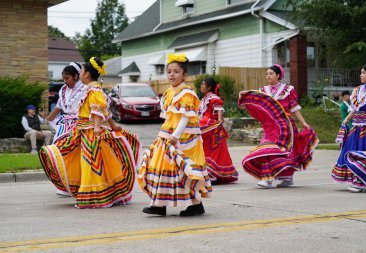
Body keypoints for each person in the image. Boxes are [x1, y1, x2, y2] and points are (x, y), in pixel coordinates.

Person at [39, 57, 140, 208]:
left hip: (91, 132)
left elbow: (98, 110)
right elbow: (105, 111)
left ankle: (94, 195)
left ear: (86, 75)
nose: (80, 75)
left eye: (82, 72)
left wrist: (98, 128)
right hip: (84, 130)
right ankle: (97, 192)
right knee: (87, 161)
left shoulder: (94, 90)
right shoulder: (91, 89)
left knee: (91, 163)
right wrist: (113, 124)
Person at [138, 53, 212, 216]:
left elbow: (185, 117)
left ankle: (196, 204)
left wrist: (176, 136)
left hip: (185, 138)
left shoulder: (187, 93)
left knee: (182, 170)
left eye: (176, 71)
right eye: (169, 71)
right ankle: (159, 204)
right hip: (168, 134)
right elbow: (169, 117)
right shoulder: (169, 93)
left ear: (185, 74)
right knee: (158, 167)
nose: (172, 74)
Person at [238, 64, 319, 188]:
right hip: (270, 127)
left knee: (284, 152)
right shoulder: (264, 90)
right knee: (266, 148)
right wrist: (246, 99)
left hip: (286, 126)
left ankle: (286, 178)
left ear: (278, 75)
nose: (268, 76)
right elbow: (258, 104)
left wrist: (303, 123)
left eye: (271, 73)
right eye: (267, 74)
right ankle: (267, 178)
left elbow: (294, 108)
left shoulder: (288, 89)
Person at [332, 63, 366, 193]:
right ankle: (358, 179)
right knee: (353, 151)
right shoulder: (357, 90)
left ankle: (360, 183)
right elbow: (354, 108)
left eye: (364, 72)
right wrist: (347, 119)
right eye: (361, 72)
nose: (361, 75)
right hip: (357, 127)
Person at [199, 78, 238, 184]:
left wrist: (219, 119)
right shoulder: (204, 99)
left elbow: (219, 108)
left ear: (209, 87)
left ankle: (213, 174)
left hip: (212, 128)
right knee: (205, 150)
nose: (201, 86)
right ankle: (210, 173)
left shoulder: (213, 98)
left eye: (203, 84)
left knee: (213, 153)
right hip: (206, 125)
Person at [47, 62, 87, 142]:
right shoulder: (64, 90)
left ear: (75, 76)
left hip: (82, 122)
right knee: (60, 141)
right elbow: (59, 106)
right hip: (67, 122)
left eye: (67, 78)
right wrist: (49, 118)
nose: (65, 81)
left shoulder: (85, 88)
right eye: (64, 79)